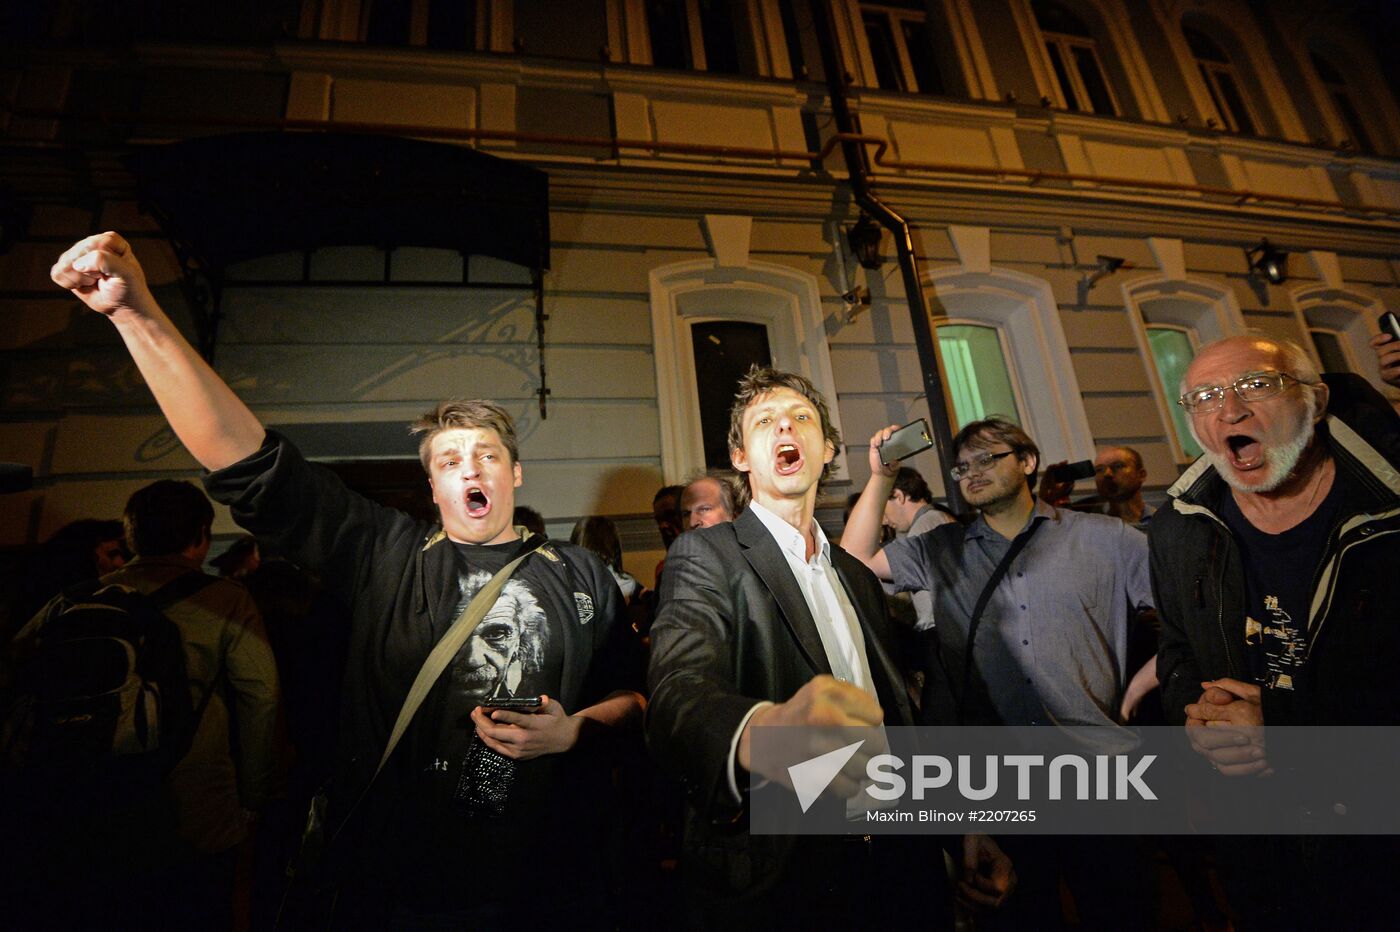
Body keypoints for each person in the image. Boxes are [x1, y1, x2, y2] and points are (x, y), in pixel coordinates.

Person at [50, 231, 644, 928]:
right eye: (450, 459)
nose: (471, 467)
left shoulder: (580, 573)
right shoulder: (384, 551)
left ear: (514, 474)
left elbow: (634, 695)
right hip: (398, 883)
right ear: (431, 486)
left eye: (487, 454)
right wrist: (137, 314)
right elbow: (252, 467)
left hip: (545, 883)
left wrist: (573, 731)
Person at [646, 366, 1012, 931]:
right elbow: (678, 692)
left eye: (802, 418)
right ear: (741, 456)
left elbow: (897, 716)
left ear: (827, 450)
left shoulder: (857, 577)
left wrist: (957, 826)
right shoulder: (708, 556)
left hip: (898, 856)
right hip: (791, 867)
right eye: (764, 421)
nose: (784, 427)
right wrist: (760, 732)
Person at [842, 417, 1155, 931]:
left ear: (1027, 462)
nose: (972, 472)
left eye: (988, 458)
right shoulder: (941, 549)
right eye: (962, 466)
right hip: (1004, 782)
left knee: (1122, 909)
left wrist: (1144, 681)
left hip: (1101, 771)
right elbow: (852, 562)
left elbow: (1193, 618)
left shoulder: (1106, 539)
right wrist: (880, 477)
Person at [1152, 335, 1400, 929]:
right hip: (1262, 849)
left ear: (1315, 400)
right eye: (1205, 397)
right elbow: (1175, 651)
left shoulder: (1386, 513)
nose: (1229, 410)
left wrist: (1289, 732)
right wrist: (1200, 715)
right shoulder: (1178, 527)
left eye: (1257, 385)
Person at [1041, 446, 1154, 528]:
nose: (1107, 473)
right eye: (1100, 469)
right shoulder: (1085, 520)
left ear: (1141, 475)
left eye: (1118, 466)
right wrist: (1048, 499)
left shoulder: (1163, 520)